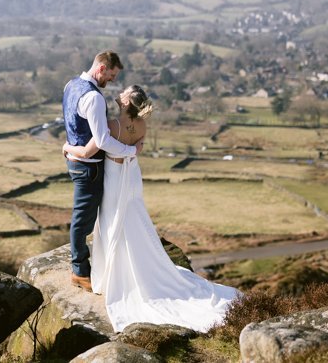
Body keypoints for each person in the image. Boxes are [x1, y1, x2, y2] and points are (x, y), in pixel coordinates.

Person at [64, 85, 239, 333]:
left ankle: (113, 274)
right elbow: (137, 149)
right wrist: (131, 151)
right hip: (133, 174)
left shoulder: (111, 125)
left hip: (114, 175)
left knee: (113, 219)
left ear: (126, 102)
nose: (119, 92)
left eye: (123, 92)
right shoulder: (143, 126)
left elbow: (91, 149)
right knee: (133, 215)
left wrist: (68, 148)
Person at [62, 51, 140, 291]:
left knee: (85, 217)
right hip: (89, 168)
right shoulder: (94, 98)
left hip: (77, 160)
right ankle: (79, 271)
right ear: (102, 68)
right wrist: (130, 151)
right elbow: (103, 140)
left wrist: (69, 148)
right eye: (113, 74)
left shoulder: (71, 85)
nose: (113, 80)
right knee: (83, 220)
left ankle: (87, 265)